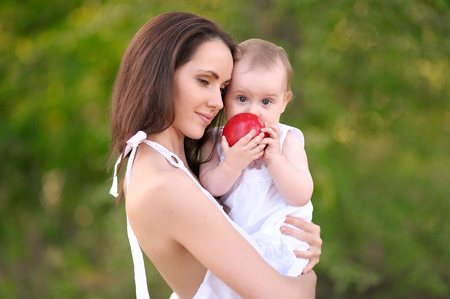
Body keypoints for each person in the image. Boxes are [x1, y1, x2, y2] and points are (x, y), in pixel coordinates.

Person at [109, 12, 322, 299]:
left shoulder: (169, 161)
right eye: (203, 81)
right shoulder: (165, 183)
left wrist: (288, 244)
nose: (217, 102)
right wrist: (307, 281)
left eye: (223, 88)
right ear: (159, 74)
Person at [199, 38, 314, 277]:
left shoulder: (286, 140)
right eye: (242, 98)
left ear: (284, 102)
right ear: (225, 98)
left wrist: (275, 160)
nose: (253, 111)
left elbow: (301, 195)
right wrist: (232, 164)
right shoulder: (215, 139)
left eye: (266, 101)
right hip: (234, 249)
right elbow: (209, 187)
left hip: (275, 243)